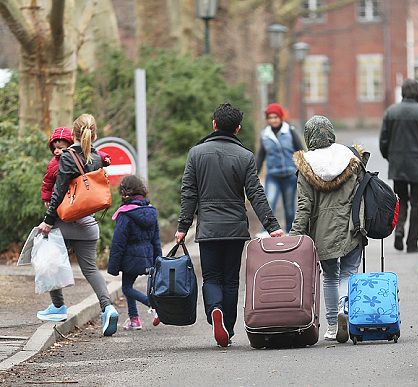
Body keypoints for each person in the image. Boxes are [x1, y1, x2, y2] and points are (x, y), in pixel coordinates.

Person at [175, 103, 284, 348]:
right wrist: (271, 224)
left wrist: (183, 226)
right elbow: (255, 193)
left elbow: (188, 193)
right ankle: (230, 328)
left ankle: (215, 310)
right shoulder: (245, 156)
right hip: (235, 228)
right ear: (237, 128)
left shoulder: (196, 154)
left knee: (211, 276)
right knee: (231, 279)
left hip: (208, 228)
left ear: (214, 124)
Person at [37, 114, 119, 337]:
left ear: (72, 134)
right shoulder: (97, 157)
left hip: (64, 223)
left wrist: (47, 221)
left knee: (49, 262)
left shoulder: (66, 157)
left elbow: (60, 192)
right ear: (95, 134)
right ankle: (108, 308)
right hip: (89, 224)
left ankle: (58, 307)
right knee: (91, 270)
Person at [289, 115, 368, 344]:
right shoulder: (351, 158)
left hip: (322, 232)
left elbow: (304, 206)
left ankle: (333, 325)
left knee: (331, 277)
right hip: (352, 225)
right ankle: (347, 311)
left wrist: (295, 236)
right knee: (349, 273)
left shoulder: (306, 166)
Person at [380, 79, 418, 253]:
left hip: (398, 165)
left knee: (400, 200)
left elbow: (383, 141)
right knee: (417, 204)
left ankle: (399, 229)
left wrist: (390, 158)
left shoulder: (391, 112)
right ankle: (412, 242)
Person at [107, 175, 162, 331]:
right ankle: (134, 320)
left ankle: (153, 305)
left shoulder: (125, 214)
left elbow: (118, 242)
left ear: (124, 191)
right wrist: (158, 260)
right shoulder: (151, 211)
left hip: (130, 258)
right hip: (147, 256)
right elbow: (156, 239)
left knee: (126, 288)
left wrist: (113, 266)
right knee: (127, 285)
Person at [255, 103, 305, 234]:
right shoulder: (265, 135)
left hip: (290, 175)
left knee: (289, 207)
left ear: (281, 117)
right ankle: (266, 231)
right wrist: (254, 174)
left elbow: (300, 150)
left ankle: (290, 231)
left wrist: (304, 170)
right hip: (273, 176)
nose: (273, 120)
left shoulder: (290, 131)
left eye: (275, 117)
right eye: (270, 117)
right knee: (269, 203)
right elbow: (261, 156)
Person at [41, 126, 111, 207]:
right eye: (54, 148)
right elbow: (47, 182)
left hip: (80, 195)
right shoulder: (53, 164)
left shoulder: (77, 157)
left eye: (60, 148)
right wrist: (47, 198)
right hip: (62, 200)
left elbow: (92, 154)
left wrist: (104, 158)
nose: (56, 151)